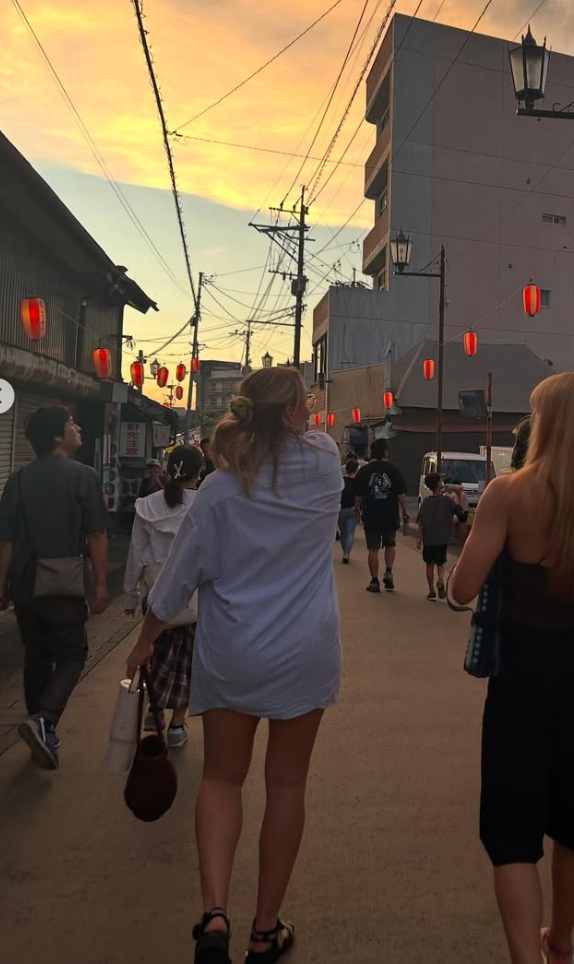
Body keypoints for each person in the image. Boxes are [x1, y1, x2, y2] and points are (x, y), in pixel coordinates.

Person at [125, 367, 342, 964]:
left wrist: (145, 639)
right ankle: (264, 931)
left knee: (222, 778)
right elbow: (311, 437)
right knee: (287, 784)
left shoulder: (220, 489)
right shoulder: (325, 467)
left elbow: (178, 580)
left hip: (234, 652)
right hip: (305, 650)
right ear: (295, 412)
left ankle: (215, 915)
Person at [450, 372, 574, 964]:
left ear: (548, 425)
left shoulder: (507, 492)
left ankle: (521, 955)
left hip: (520, 671)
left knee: (512, 824)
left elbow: (462, 589)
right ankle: (560, 944)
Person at [0, 406, 109, 770]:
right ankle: (45, 720)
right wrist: (101, 584)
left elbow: (7, 541)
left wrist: (1, 586)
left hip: (26, 586)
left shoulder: (17, 479)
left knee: (36, 657)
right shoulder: (84, 476)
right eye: (72, 424)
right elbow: (96, 533)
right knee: (73, 654)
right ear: (58, 437)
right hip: (64, 584)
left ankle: (40, 729)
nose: (78, 428)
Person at [123, 444, 203, 749]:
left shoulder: (147, 506)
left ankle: (153, 712)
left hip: (154, 599)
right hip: (194, 600)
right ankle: (177, 726)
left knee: (153, 657)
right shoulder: (204, 505)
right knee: (187, 664)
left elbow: (137, 555)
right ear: (200, 472)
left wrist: (130, 597)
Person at [353, 437, 409, 594]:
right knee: (391, 545)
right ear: (386, 451)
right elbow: (400, 493)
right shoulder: (394, 470)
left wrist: (356, 509)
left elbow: (358, 494)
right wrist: (405, 510)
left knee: (373, 549)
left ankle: (375, 581)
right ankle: (389, 571)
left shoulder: (364, 471)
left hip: (371, 514)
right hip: (390, 513)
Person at [416, 473, 467, 601]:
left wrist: (418, 538)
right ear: (439, 483)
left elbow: (421, 521)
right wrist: (460, 495)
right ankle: (440, 579)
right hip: (442, 538)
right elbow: (461, 514)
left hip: (428, 539)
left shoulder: (426, 502)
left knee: (429, 564)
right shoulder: (447, 501)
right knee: (440, 563)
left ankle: (431, 590)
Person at [337, 457, 359, 564]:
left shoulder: (341, 481)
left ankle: (345, 551)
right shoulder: (358, 481)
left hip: (341, 509)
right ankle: (346, 553)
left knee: (343, 533)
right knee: (350, 533)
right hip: (353, 509)